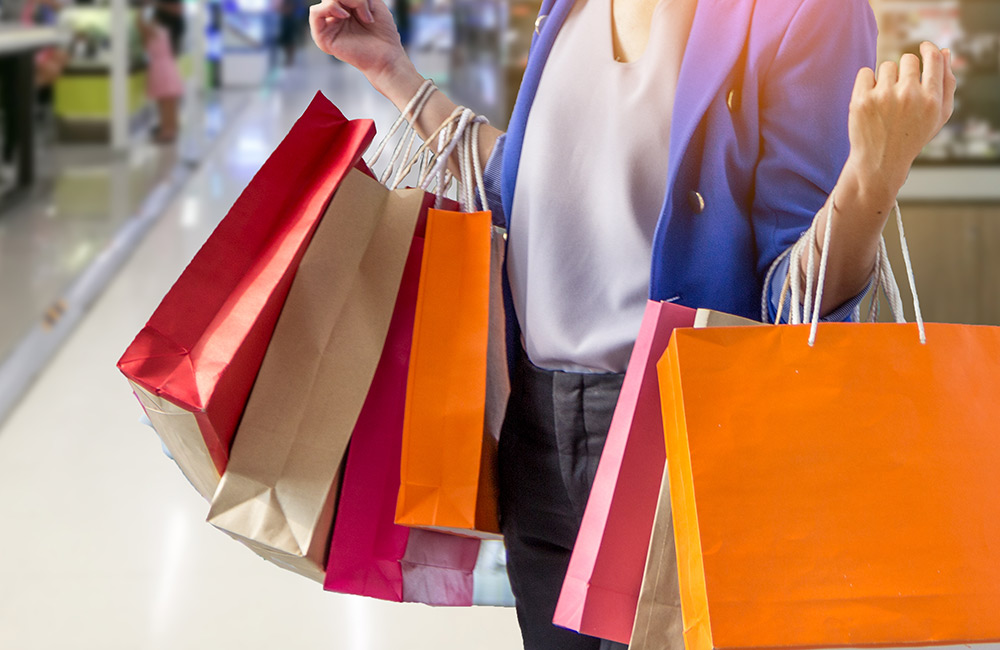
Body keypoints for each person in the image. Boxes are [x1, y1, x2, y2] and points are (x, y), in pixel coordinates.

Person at [308, 0, 956, 648]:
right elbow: (522, 183)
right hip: (537, 436)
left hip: (677, 440)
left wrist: (870, 182)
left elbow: (794, 304)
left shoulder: (806, 12)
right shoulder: (568, 7)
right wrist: (393, 71)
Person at [138, 1, 184, 143]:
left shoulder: (156, 31)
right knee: (169, 101)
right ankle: (171, 128)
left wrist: (143, 8)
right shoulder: (165, 32)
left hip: (160, 68)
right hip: (168, 66)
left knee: (164, 102)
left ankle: (166, 131)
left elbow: (140, 25)